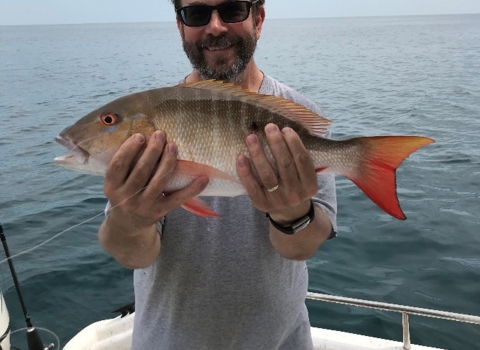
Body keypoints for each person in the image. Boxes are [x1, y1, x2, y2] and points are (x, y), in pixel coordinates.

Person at [98, 0, 337, 349]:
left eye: (232, 9)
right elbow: (132, 255)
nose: (215, 27)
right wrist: (131, 219)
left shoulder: (300, 116)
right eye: (196, 14)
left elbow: (303, 248)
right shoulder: (153, 123)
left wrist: (293, 214)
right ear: (180, 25)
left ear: (259, 17)